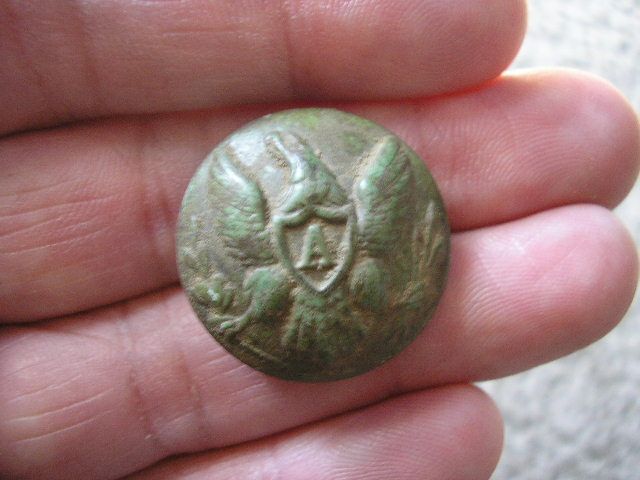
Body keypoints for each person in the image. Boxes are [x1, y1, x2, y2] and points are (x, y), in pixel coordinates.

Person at [0, 1, 638, 478]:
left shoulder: (363, 248)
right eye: (298, 234)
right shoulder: (267, 271)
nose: (316, 251)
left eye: (329, 232)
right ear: (275, 235)